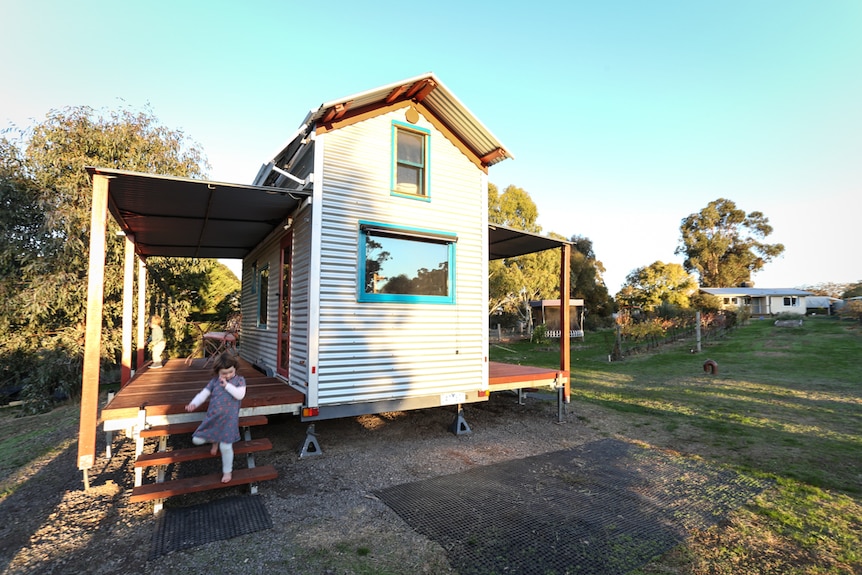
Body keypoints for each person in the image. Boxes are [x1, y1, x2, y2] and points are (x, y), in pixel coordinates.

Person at [185, 352, 247, 483]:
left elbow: (240, 395)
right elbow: (202, 395)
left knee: (226, 447)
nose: (228, 375)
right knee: (196, 440)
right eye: (224, 373)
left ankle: (227, 471)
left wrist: (227, 385)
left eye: (230, 372)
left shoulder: (239, 380)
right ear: (217, 372)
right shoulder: (214, 382)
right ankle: (214, 441)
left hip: (229, 421)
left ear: (235, 368)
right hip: (213, 418)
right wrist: (193, 404)